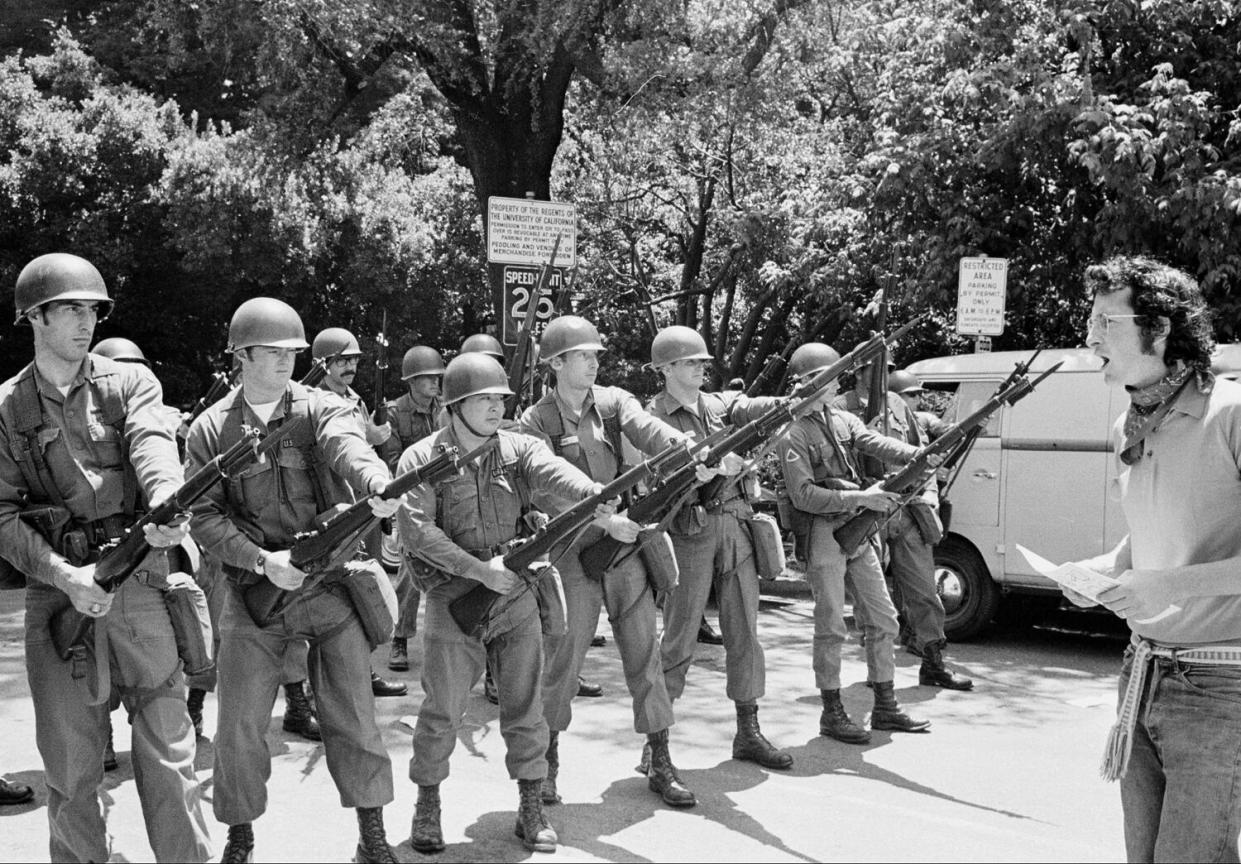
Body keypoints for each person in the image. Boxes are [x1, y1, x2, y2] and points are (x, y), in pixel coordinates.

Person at [0, 252, 212, 862]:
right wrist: (63, 576)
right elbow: (3, 514)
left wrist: (168, 501)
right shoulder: (9, 409)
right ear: (35, 316)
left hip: (141, 581)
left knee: (172, 760)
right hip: (59, 592)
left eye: (92, 309)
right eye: (70, 309)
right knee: (71, 772)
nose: (86, 320)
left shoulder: (131, 382)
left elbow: (151, 443)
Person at [184, 298, 400, 864]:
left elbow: (347, 445)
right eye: (274, 352)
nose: (286, 361)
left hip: (329, 590)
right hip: (254, 597)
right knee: (238, 729)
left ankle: (372, 836)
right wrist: (260, 561)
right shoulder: (213, 429)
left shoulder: (319, 407)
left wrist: (375, 479)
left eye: (292, 353)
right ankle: (240, 836)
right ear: (243, 356)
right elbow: (203, 516)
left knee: (354, 718)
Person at [397, 351, 612, 854]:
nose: (495, 408)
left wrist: (594, 492)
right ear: (454, 406)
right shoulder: (422, 459)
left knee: (526, 706)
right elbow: (416, 531)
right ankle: (427, 804)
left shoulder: (517, 448)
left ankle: (531, 806)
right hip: (455, 597)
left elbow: (554, 472)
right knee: (442, 711)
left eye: (499, 399)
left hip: (514, 591)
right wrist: (477, 571)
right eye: (483, 400)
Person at [1066, 256, 1241, 862]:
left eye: (1104, 322)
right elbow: (1146, 537)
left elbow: (1168, 570)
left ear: (1160, 329)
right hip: (1141, 675)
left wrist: (1166, 584)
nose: (1089, 338)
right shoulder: (1129, 425)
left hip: (1220, 685)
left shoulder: (1233, 415)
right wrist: (1102, 573)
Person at [521, 315, 710, 808]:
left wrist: (688, 449)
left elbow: (650, 430)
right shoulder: (534, 422)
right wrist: (603, 524)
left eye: (596, 355)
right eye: (584, 355)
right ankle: (547, 763)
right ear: (557, 363)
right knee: (563, 662)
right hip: (571, 552)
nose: (594, 362)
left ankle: (660, 758)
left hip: (624, 550)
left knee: (645, 656)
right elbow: (544, 488)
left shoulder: (613, 401)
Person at [646, 325, 793, 771]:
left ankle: (748, 731)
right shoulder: (650, 416)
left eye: (703, 363)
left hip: (736, 527)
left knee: (745, 633)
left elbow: (752, 407)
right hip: (689, 532)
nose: (700, 369)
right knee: (679, 639)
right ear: (666, 368)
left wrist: (792, 398)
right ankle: (656, 744)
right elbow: (652, 481)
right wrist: (700, 471)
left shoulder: (719, 405)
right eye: (691, 362)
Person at [777, 342, 931, 744]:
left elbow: (875, 443)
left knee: (884, 618)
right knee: (830, 626)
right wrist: (861, 498)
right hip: (825, 534)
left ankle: (884, 705)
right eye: (829, 377)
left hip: (856, 531)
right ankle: (832, 711)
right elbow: (803, 496)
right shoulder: (792, 433)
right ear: (809, 383)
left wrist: (919, 454)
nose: (838, 383)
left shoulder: (841, 419)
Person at [310, 327, 406, 699]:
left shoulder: (354, 399)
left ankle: (361, 670)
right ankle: (310, 691)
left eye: (353, 360)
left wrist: (373, 436)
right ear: (323, 364)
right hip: (326, 506)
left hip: (360, 504)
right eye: (342, 360)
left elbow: (362, 442)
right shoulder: (311, 402)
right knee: (321, 599)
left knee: (361, 590)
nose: (350, 366)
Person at [868, 370, 972, 691]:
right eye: (909, 394)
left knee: (926, 593)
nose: (915, 400)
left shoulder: (920, 421)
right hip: (878, 509)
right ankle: (879, 670)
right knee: (873, 596)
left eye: (915, 395)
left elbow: (954, 435)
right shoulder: (867, 417)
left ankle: (933, 663)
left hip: (913, 511)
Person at [378, 345, 445, 673]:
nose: (434, 383)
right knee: (408, 569)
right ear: (411, 381)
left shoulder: (447, 409)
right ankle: (400, 637)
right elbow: (393, 461)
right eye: (427, 378)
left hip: (448, 494)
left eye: (436, 377)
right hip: (412, 496)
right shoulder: (394, 412)